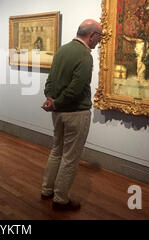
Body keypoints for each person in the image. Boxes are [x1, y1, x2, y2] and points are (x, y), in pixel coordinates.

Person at [40, 19, 102, 211]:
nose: (99, 41)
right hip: (76, 113)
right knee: (70, 157)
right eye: (99, 37)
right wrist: (56, 102)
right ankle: (60, 198)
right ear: (91, 35)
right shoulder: (85, 55)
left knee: (56, 151)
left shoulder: (62, 50)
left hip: (57, 113)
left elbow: (50, 81)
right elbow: (76, 89)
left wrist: (51, 99)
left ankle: (47, 189)